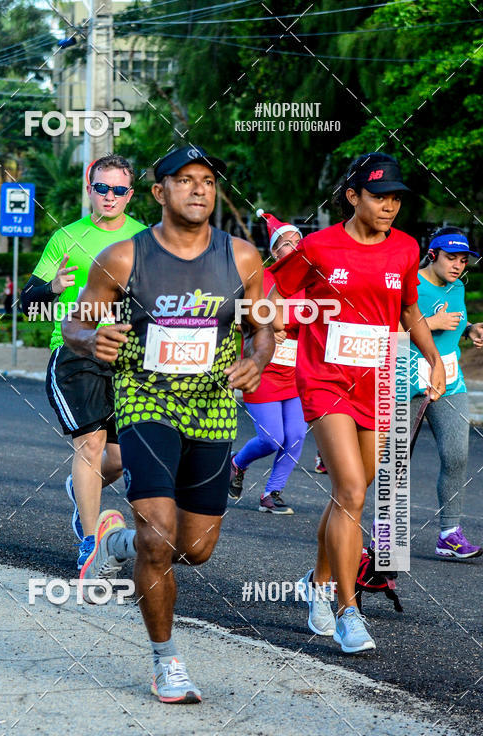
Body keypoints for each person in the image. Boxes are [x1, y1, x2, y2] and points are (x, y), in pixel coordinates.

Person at [62, 145, 273, 703]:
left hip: (213, 406)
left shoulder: (244, 257)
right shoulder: (123, 257)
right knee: (159, 539)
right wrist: (92, 338)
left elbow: (263, 325)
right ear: (159, 193)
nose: (199, 190)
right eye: (185, 181)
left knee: (196, 547)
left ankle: (113, 543)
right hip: (146, 400)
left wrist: (259, 357)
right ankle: (166, 660)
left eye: (207, 180)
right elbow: (75, 323)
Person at [270, 152, 445, 653]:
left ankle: (316, 581)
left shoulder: (408, 248)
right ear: (352, 196)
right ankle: (347, 611)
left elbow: (409, 309)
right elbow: (275, 294)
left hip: (381, 378)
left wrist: (432, 357)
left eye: (395, 198)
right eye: (378, 195)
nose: (389, 205)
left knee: (350, 492)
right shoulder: (318, 247)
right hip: (325, 377)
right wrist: (273, 326)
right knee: (351, 489)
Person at [21, 155, 145, 569]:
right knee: (90, 443)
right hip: (74, 350)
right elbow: (26, 303)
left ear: (130, 194)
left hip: (125, 354)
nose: (110, 196)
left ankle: (82, 489)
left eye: (119, 190)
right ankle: (91, 541)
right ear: (90, 189)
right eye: (102, 188)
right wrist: (53, 286)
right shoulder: (65, 238)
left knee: (126, 454)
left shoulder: (145, 238)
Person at [409, 226, 483, 559]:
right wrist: (430, 324)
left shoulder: (457, 287)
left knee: (456, 455)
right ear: (433, 255)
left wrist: (470, 329)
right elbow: (384, 327)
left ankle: (449, 534)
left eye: (463, 260)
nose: (457, 265)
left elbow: (455, 320)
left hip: (450, 380)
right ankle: (383, 537)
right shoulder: (411, 283)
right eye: (450, 258)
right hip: (406, 382)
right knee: (393, 463)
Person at [229, 210, 307, 513]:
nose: (295, 246)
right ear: (275, 251)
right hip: (261, 370)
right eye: (287, 243)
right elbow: (237, 317)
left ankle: (272, 493)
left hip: (296, 373)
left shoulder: (310, 280)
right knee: (272, 438)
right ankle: (237, 463)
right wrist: (263, 327)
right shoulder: (259, 278)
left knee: (297, 435)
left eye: (298, 241)